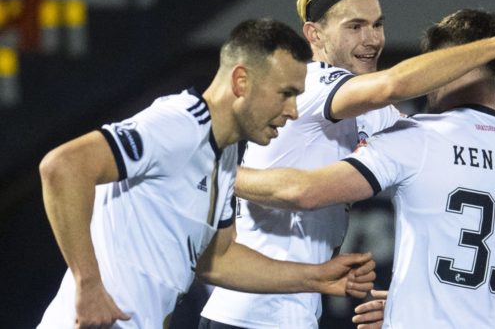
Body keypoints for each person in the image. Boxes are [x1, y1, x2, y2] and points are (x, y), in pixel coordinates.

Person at [200, 0, 495, 329]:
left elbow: (448, 141)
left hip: (292, 311)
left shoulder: (372, 113)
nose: (372, 38)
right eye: (354, 26)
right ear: (314, 34)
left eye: (377, 24)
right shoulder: (310, 84)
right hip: (250, 313)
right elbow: (395, 87)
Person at [36, 18, 377, 329]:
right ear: (241, 80)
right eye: (285, 94)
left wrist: (316, 277)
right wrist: (88, 284)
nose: (292, 111)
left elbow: (218, 261)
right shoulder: (179, 123)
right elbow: (63, 166)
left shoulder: (225, 155)